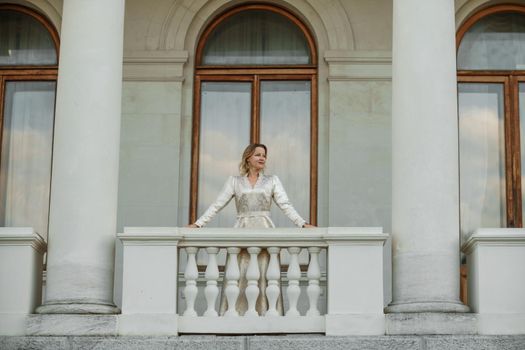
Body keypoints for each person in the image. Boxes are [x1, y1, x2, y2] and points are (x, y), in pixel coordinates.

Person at [187, 143, 314, 315]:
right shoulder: (235, 181)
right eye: (258, 155)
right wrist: (198, 224)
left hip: (265, 232)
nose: (262, 158)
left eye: (264, 155)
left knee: (264, 273)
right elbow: (217, 205)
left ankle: (266, 314)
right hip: (241, 231)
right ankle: (236, 314)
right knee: (240, 273)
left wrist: (302, 223)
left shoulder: (272, 180)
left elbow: (286, 205)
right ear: (248, 158)